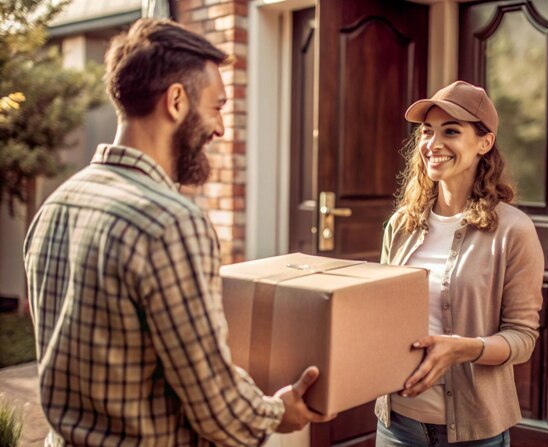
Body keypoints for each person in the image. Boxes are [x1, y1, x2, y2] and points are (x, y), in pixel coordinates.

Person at [23, 18, 331, 446]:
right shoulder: (171, 223)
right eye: (218, 107)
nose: (221, 129)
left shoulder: (58, 204)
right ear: (176, 101)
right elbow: (216, 406)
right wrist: (278, 412)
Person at [375, 81, 543, 446]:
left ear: (484, 143)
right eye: (427, 132)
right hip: (398, 424)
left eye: (450, 131)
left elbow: (523, 338)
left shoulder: (513, 231)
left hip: (475, 430)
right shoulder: (402, 224)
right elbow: (384, 317)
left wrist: (463, 348)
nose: (433, 144)